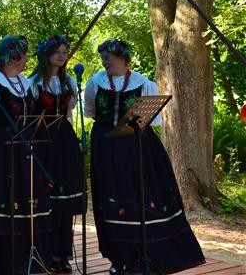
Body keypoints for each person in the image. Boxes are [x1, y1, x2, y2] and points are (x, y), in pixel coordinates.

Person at [84, 39, 205, 275]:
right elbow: (91, 112)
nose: (104, 62)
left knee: (138, 197)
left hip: (137, 148)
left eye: (108, 58)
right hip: (106, 148)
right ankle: (118, 258)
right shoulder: (95, 82)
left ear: (122, 58)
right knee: (111, 199)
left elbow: (153, 121)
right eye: (103, 58)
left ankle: (144, 256)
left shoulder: (144, 84)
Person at [0, 35, 52, 275]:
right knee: (4, 200)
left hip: (23, 151)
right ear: (14, 57)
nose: (27, 59)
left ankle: (28, 257)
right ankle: (5, 261)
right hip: (0, 152)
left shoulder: (25, 83)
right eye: (24, 55)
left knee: (26, 199)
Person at [29, 34, 84, 274]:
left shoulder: (68, 81)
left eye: (64, 52)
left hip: (64, 141)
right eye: (57, 52)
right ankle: (46, 252)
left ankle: (63, 254)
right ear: (46, 55)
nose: (62, 56)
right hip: (43, 141)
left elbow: (70, 111)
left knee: (65, 200)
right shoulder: (33, 82)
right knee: (48, 199)